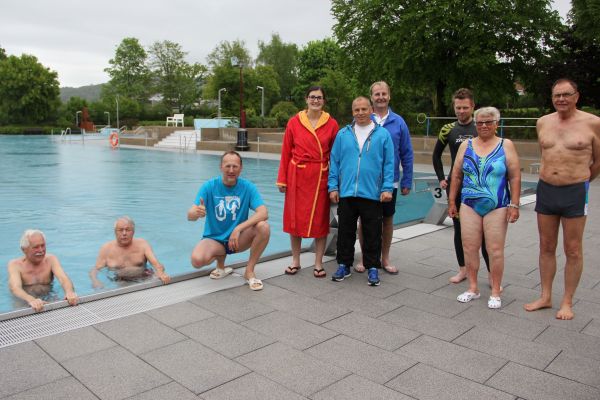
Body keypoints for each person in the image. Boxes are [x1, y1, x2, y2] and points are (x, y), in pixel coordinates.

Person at [525, 78, 600, 320]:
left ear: (577, 96)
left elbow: (598, 160)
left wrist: (583, 180)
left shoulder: (593, 123)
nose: (561, 99)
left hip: (575, 191)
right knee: (546, 246)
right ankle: (546, 296)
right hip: (546, 189)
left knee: (573, 249)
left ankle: (567, 301)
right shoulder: (543, 122)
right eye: (557, 95)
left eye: (566, 94)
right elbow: (546, 154)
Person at [449, 107, 521, 309]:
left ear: (497, 123)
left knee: (495, 249)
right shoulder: (466, 145)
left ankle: (496, 290)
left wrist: (514, 204)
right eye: (480, 122)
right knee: (469, 248)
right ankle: (473, 288)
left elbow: (515, 176)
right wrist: (452, 201)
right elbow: (456, 175)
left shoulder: (505, 145)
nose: (483, 126)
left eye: (488, 122)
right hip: (469, 203)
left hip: (497, 204)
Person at [328, 96, 394, 286]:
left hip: (372, 193)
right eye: (356, 110)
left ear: (371, 110)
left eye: (364, 109)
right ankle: (344, 265)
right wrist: (333, 186)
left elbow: (389, 164)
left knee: (372, 232)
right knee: (345, 232)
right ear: (352, 112)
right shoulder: (343, 134)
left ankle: (373, 267)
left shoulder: (382, 135)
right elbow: (335, 162)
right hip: (347, 192)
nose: (360, 113)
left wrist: (387, 188)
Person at [277, 86, 339, 278]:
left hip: (321, 174)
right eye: (312, 97)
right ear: (306, 99)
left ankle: (318, 262)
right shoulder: (294, 122)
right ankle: (295, 260)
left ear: (324, 101)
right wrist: (282, 179)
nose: (315, 101)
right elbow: (286, 151)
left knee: (320, 221)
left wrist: (335, 183)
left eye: (319, 98)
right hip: (297, 175)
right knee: (294, 220)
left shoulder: (332, 124)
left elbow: (336, 156)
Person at [188, 151, 270, 291]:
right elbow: (190, 215)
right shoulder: (209, 186)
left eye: (235, 166)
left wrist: (238, 229)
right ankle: (221, 266)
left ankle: (249, 271)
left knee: (263, 227)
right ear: (221, 167)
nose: (231, 170)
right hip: (215, 240)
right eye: (227, 166)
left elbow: (263, 212)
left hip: (237, 240)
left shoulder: (248, 187)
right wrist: (196, 213)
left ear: (241, 168)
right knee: (197, 260)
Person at [432, 88, 490, 283]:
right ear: (453, 107)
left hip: (480, 187)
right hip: (456, 187)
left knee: (484, 233)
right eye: (458, 107)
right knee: (459, 230)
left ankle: (491, 274)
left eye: (465, 107)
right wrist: (441, 177)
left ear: (473, 106)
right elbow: (436, 155)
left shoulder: (481, 127)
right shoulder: (448, 129)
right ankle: (463, 269)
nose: (461, 111)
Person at [355, 81, 414, 274]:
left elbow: (406, 152)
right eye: (377, 94)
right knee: (365, 220)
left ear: (389, 96)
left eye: (384, 94)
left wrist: (406, 180)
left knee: (387, 219)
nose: (380, 97)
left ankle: (384, 257)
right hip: (366, 182)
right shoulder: (362, 118)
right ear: (371, 97)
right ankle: (365, 257)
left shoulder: (398, 122)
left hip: (391, 181)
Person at [8, 229, 79, 312]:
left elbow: (63, 279)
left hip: (48, 296)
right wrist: (31, 299)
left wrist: (69, 292)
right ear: (24, 249)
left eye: (43, 245)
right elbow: (15, 288)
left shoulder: (51, 260)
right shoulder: (15, 265)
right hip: (25, 299)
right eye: (36, 247)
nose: (41, 250)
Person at [90, 216, 171, 288]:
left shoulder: (142, 244)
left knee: (159, 280)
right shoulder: (106, 248)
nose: (124, 233)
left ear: (133, 232)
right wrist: (95, 281)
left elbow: (157, 264)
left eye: (128, 230)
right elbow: (95, 269)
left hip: (144, 277)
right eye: (120, 230)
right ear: (115, 232)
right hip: (120, 281)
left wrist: (160, 272)